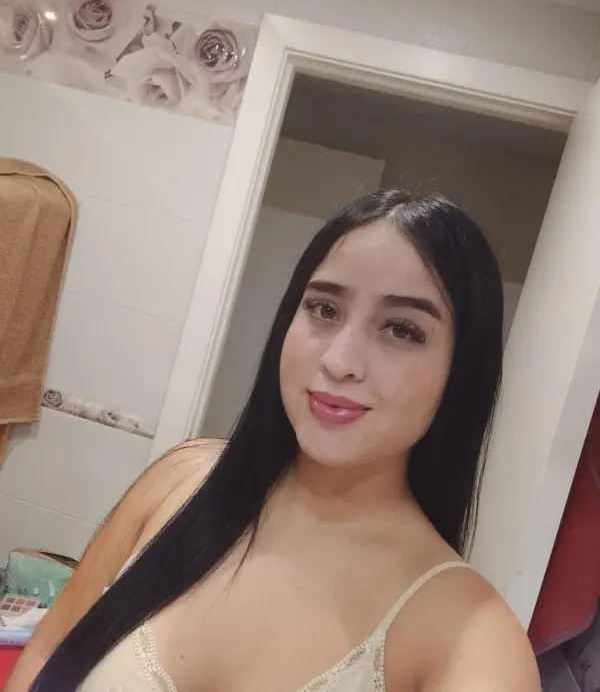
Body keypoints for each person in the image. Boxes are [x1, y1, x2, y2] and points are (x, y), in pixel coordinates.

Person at [8, 190, 540, 692]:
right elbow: (47, 655)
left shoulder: (474, 638)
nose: (339, 361)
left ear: (462, 372)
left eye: (401, 329)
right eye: (324, 309)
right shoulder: (182, 480)